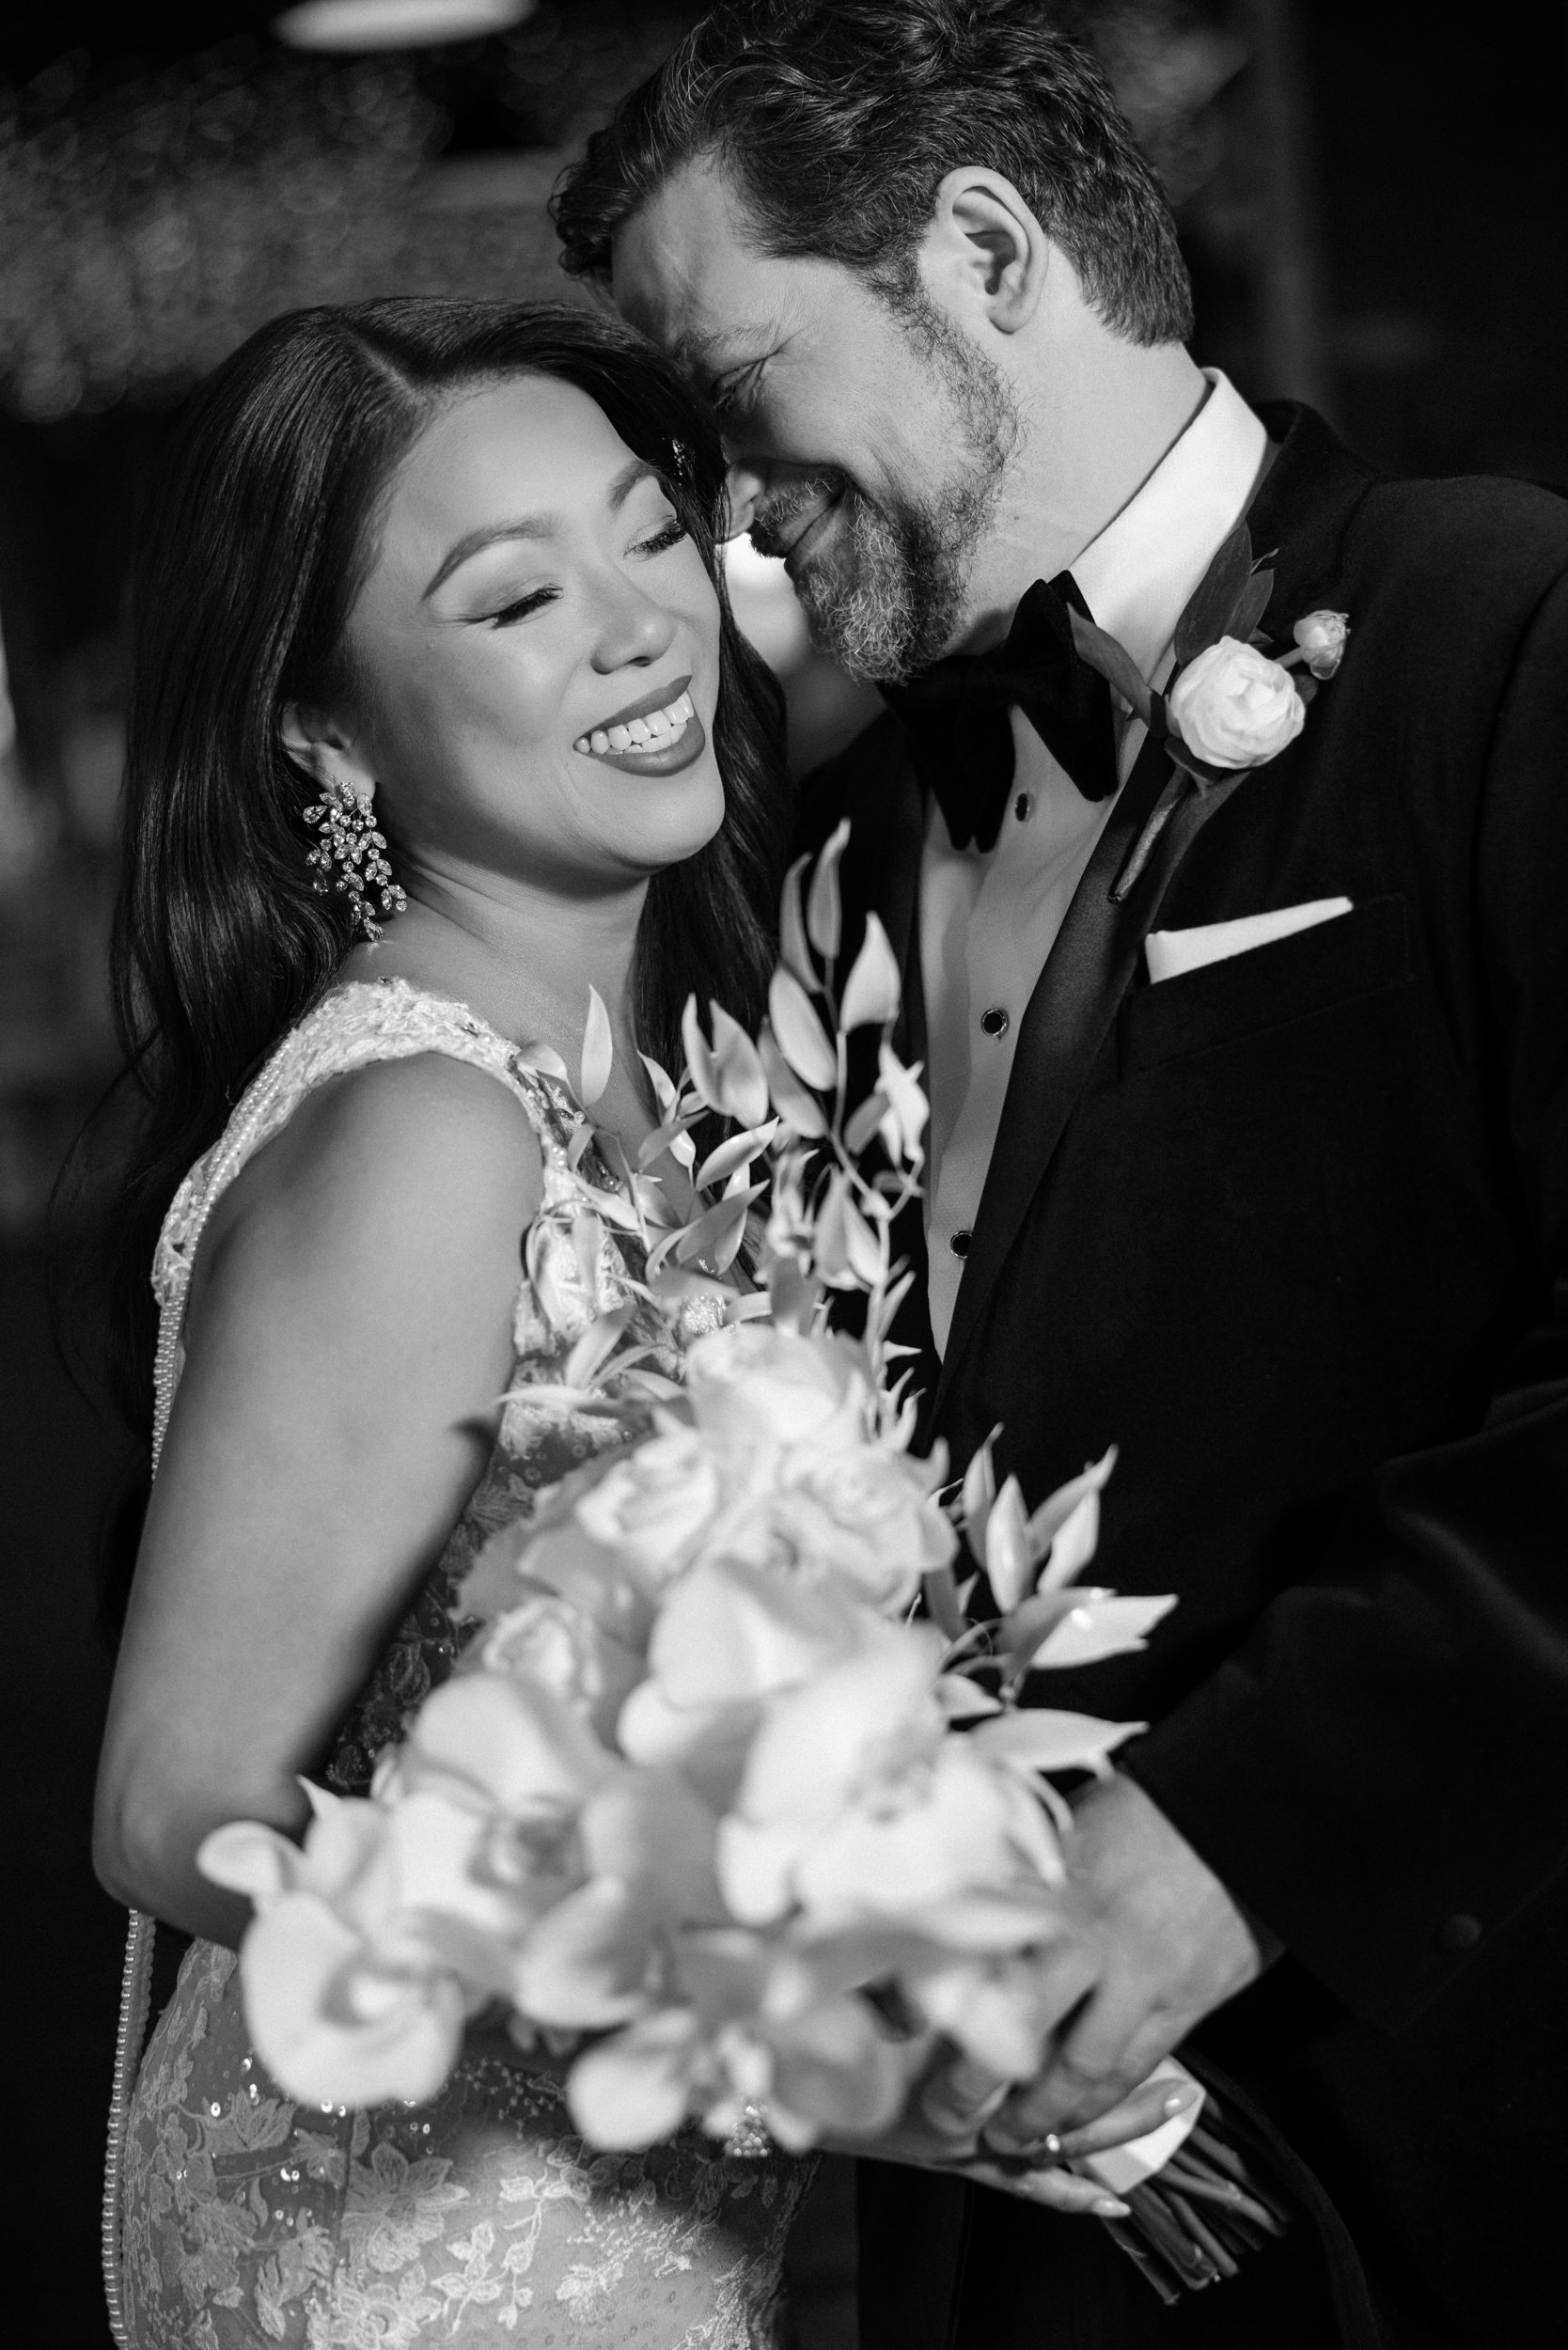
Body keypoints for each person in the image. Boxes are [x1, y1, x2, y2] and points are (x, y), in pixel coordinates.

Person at [556, 4, 1568, 2346]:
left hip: (1476, 2097)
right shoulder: (828, 844)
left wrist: (1249, 1833)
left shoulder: (1497, 630)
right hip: (1016, 2209)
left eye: (736, 394)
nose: (727, 507)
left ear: (984, 251)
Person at [90, 294, 811, 2350]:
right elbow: (171, 1800)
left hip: (641, 2212)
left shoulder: (668, 1061)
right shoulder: (428, 1121)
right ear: (326, 732)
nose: (637, 624)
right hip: (436, 2245)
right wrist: (714, 1976)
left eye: (648, 536)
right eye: (512, 597)